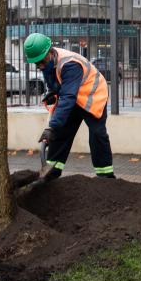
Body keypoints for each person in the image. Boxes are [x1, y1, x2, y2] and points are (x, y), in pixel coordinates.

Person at [23, 33, 114, 181]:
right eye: (36, 63)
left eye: (41, 61)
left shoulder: (70, 64)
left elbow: (68, 97)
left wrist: (51, 126)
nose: (40, 65)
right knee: (61, 133)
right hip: (73, 95)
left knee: (97, 134)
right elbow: (61, 86)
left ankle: (106, 176)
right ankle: (51, 172)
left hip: (92, 95)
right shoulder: (48, 64)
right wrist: (53, 93)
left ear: (50, 52)